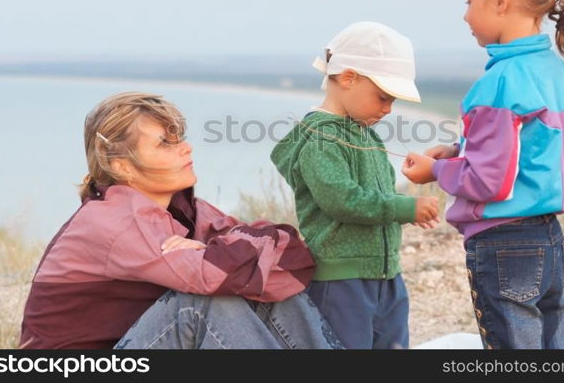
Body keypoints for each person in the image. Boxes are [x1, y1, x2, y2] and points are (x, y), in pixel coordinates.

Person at [19, 91, 342, 349]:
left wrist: (209, 250)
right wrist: (219, 253)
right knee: (199, 305)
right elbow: (214, 278)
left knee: (268, 289)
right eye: (165, 143)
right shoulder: (113, 222)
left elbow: (292, 255)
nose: (186, 148)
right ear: (120, 166)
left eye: (180, 138)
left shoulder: (191, 212)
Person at [402, 0, 564, 349]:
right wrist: (460, 151)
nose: (465, 16)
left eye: (468, 2)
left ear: (501, 1)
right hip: (547, 235)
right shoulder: (557, 73)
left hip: (504, 242)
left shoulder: (500, 84)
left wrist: (437, 170)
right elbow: (530, 152)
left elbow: (491, 182)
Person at [271, 21, 440, 349]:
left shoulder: (365, 134)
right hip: (341, 279)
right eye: (383, 97)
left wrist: (402, 201)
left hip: (386, 274)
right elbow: (342, 199)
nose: (388, 109)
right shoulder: (321, 139)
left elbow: (376, 196)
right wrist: (405, 207)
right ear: (348, 78)